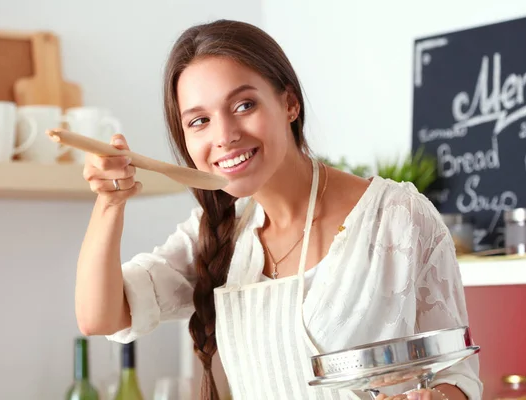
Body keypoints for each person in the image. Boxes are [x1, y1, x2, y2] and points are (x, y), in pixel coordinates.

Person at [73, 19, 483, 400]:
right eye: (199, 121)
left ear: (289, 103)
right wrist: (109, 203)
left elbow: (459, 371)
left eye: (243, 105)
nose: (225, 136)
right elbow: (99, 317)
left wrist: (439, 396)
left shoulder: (397, 217)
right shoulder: (217, 231)